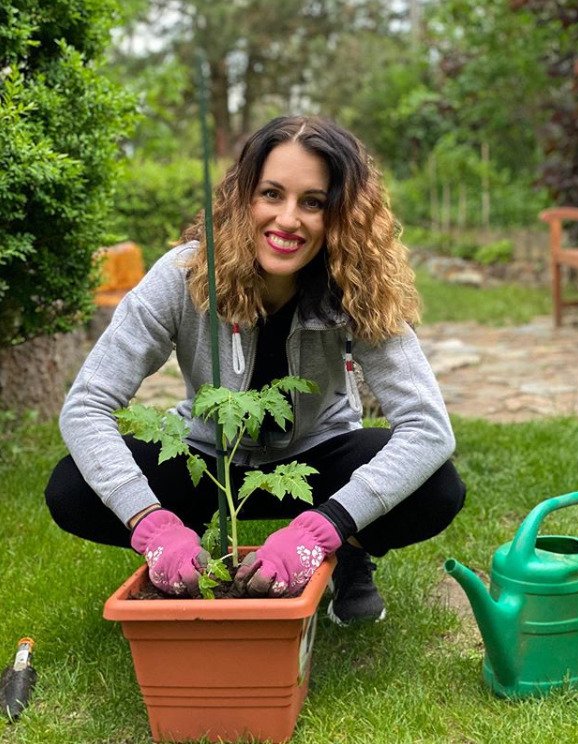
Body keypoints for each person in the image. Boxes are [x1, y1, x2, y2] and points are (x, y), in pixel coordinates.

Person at [45, 115, 466, 625]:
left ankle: (347, 552)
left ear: (342, 215)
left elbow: (428, 429)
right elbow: (87, 404)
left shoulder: (355, 285)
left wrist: (324, 528)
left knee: (436, 488)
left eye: (313, 202)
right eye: (271, 194)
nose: (288, 220)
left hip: (317, 459)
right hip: (206, 457)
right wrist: (150, 523)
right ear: (243, 196)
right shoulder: (185, 276)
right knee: (71, 489)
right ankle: (184, 551)